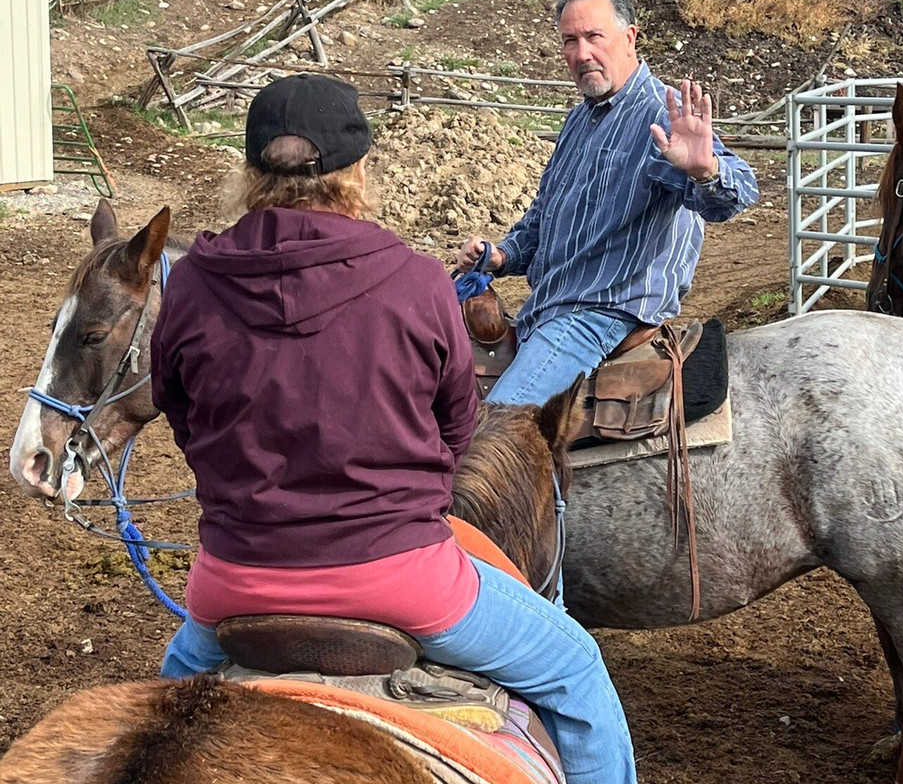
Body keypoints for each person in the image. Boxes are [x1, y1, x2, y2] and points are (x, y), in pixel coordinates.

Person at [151, 73, 637, 784]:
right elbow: (459, 428)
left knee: (157, 724)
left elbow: (180, 415)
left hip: (235, 583)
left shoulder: (191, 284)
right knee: (577, 671)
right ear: (357, 171)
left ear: (250, 174)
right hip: (403, 581)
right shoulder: (417, 282)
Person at [455, 0, 758, 406]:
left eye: (594, 36)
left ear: (629, 37)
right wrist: (501, 256)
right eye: (570, 41)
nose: (582, 54)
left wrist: (706, 170)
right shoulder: (580, 120)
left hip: (599, 313)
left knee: (498, 428)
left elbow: (738, 192)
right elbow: (545, 217)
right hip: (549, 308)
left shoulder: (662, 114)